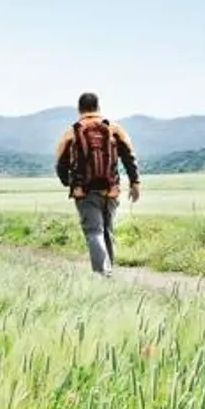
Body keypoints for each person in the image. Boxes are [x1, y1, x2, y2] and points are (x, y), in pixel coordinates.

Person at [54, 92, 140, 275]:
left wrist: (70, 183)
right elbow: (128, 157)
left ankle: (103, 274)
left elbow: (61, 163)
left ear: (79, 109)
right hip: (111, 190)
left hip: (84, 192)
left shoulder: (72, 131)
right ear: (98, 107)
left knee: (94, 232)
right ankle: (109, 272)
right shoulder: (114, 129)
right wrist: (135, 182)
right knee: (107, 231)